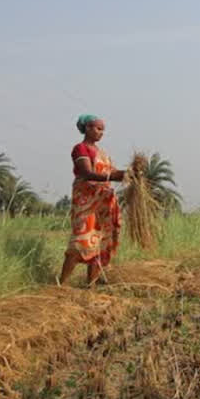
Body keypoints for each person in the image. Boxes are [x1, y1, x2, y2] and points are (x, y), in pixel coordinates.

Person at [59, 114, 125, 286]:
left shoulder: (102, 153)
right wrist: (113, 176)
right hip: (86, 201)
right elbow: (87, 173)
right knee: (81, 239)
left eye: (102, 129)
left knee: (102, 241)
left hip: (103, 202)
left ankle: (91, 285)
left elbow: (113, 173)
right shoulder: (80, 149)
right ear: (86, 128)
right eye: (97, 128)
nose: (100, 132)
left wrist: (129, 174)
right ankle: (61, 285)